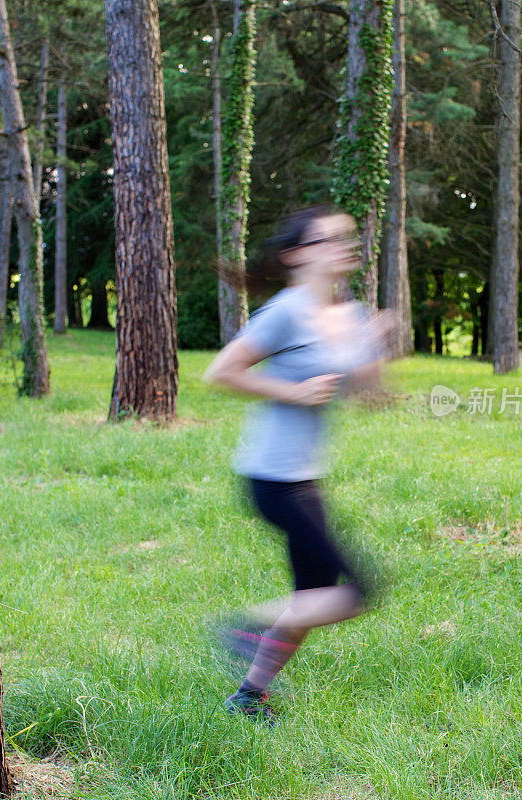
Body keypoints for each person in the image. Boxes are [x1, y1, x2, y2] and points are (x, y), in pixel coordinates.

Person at [203, 205, 396, 726]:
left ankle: (248, 696)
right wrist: (294, 391)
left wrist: (375, 344)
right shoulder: (287, 311)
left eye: (346, 238)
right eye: (327, 238)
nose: (342, 245)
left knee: (312, 596)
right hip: (271, 477)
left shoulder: (349, 314)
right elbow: (221, 371)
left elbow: (371, 394)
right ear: (295, 256)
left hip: (306, 476)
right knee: (357, 590)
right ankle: (243, 629)